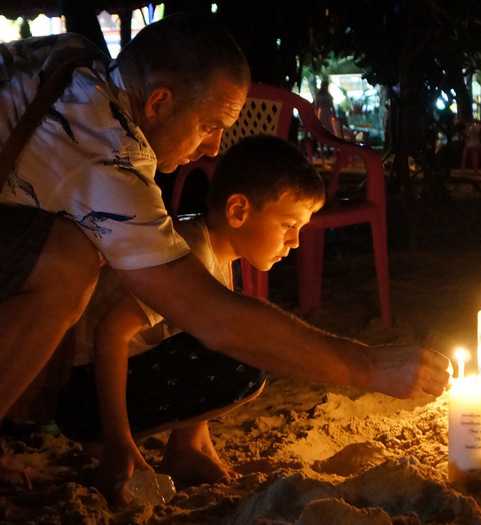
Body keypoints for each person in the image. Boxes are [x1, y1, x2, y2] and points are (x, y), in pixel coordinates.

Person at [0, 14, 449, 477]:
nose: (215, 148)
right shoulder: (106, 152)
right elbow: (212, 318)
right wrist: (367, 366)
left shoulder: (74, 58)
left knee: (69, 251)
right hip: (81, 396)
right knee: (67, 263)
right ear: (159, 103)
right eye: (210, 126)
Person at [55, 135, 324, 497]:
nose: (294, 241)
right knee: (242, 352)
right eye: (288, 225)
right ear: (238, 211)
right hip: (82, 396)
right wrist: (117, 440)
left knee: (226, 329)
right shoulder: (190, 252)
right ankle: (129, 443)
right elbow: (111, 333)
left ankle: (190, 447)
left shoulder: (212, 249)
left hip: (93, 391)